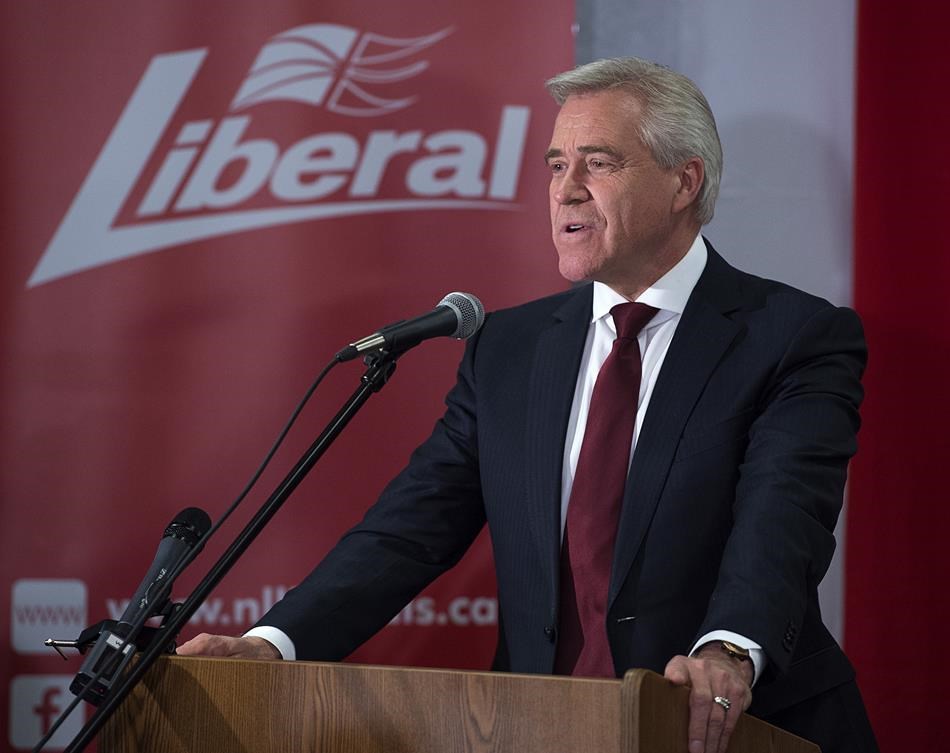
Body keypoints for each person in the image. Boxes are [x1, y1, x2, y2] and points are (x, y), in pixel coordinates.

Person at [179, 57, 878, 753]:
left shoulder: (792, 337)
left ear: (683, 181)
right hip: (537, 725)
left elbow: (783, 524)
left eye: (597, 162)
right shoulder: (508, 348)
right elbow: (409, 529)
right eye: (554, 165)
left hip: (731, 727)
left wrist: (728, 651)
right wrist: (274, 642)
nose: (566, 190)